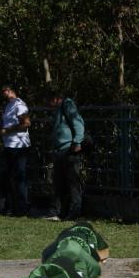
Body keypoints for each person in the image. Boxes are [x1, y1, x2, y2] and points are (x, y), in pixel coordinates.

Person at [45, 87, 85, 221]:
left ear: (55, 98)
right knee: (59, 183)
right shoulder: (58, 110)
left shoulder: (67, 104)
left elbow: (78, 123)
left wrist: (77, 141)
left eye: (49, 101)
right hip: (60, 150)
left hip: (69, 148)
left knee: (72, 183)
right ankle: (59, 212)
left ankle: (74, 212)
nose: (48, 105)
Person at [0, 85, 31, 216]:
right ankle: (11, 207)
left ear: (10, 91)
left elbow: (26, 124)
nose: (3, 94)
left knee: (20, 178)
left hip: (19, 146)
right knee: (9, 177)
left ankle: (22, 208)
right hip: (9, 145)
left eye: (4, 91)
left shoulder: (19, 104)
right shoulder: (8, 106)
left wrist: (7, 130)